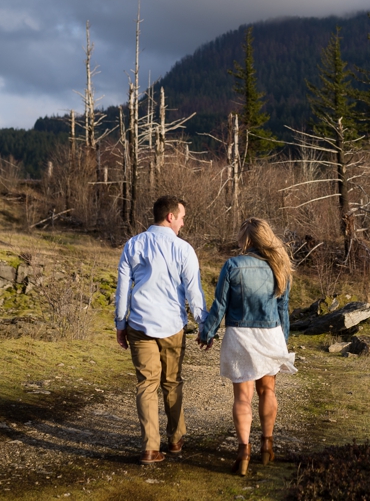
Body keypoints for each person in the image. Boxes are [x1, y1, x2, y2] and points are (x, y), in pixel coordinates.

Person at [197, 217, 297, 476]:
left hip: (240, 334)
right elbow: (283, 309)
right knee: (268, 391)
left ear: (249, 239)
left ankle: (243, 452)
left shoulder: (232, 265)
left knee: (243, 397)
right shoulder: (279, 266)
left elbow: (220, 306)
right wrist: (282, 342)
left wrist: (207, 334)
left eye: (242, 237)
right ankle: (267, 445)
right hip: (270, 334)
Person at [113, 195, 205, 465]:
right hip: (172, 327)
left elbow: (122, 289)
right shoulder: (183, 249)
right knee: (172, 382)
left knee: (146, 385)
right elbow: (194, 293)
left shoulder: (133, 244)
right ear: (170, 217)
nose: (183, 223)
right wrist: (204, 325)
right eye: (182, 217)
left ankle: (150, 449)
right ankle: (175, 440)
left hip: (138, 325)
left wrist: (121, 323)